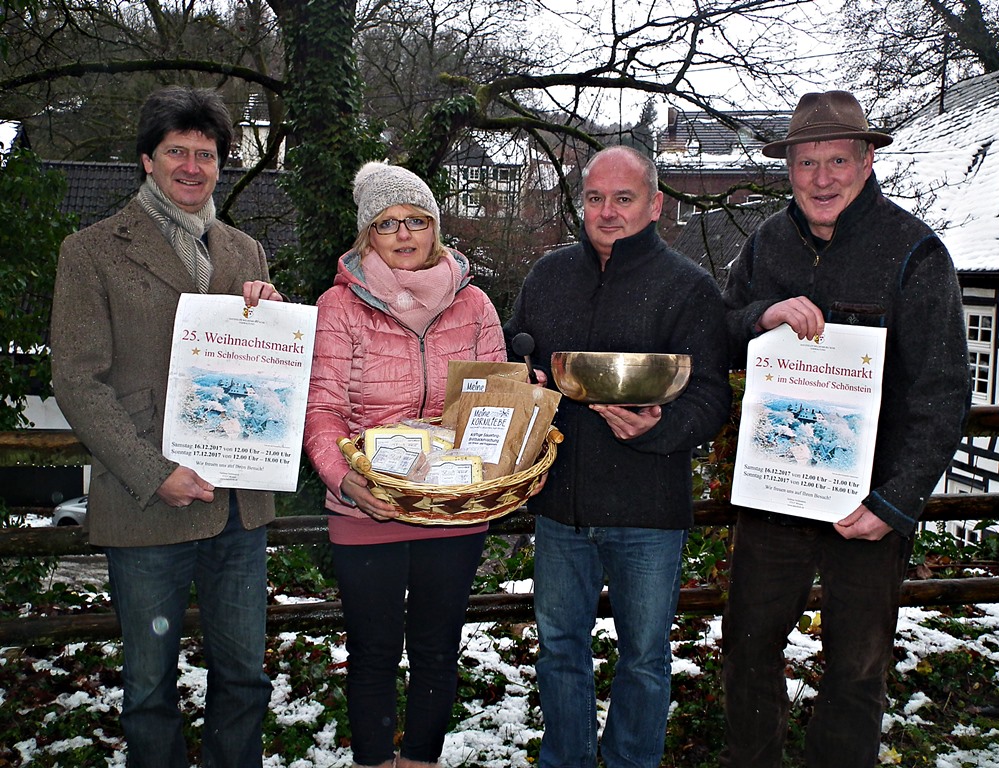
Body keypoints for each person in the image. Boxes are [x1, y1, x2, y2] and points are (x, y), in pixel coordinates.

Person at [719, 90, 971, 768]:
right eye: (806, 163)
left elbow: (943, 390)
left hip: (868, 507)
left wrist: (895, 503)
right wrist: (760, 315)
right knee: (746, 652)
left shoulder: (914, 251)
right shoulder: (766, 245)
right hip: (775, 498)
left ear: (865, 161)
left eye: (836, 160)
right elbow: (719, 326)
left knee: (856, 670)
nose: (821, 179)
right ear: (789, 169)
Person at [49, 86, 283, 768]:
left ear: (220, 164)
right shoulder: (91, 251)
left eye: (205, 154)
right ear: (147, 161)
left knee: (244, 678)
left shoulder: (246, 251)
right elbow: (76, 380)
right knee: (149, 687)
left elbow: (263, 367)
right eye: (176, 151)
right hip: (147, 506)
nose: (192, 166)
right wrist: (156, 473)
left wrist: (268, 314)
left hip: (238, 509)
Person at [504, 145, 733, 768]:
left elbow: (712, 392)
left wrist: (659, 429)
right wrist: (522, 382)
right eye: (595, 198)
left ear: (655, 204)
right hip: (562, 509)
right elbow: (515, 361)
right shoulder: (548, 276)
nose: (607, 212)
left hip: (648, 508)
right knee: (558, 650)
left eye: (623, 198)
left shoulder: (688, 286)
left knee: (644, 658)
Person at [303, 161, 506, 768]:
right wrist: (345, 479)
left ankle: (420, 760)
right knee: (373, 649)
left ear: (435, 226)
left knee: (438, 647)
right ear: (368, 234)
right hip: (367, 505)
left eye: (416, 219)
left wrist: (511, 434)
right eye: (387, 223)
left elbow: (495, 400)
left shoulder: (474, 305)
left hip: (453, 505)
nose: (404, 233)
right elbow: (323, 407)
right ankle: (372, 760)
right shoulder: (339, 308)